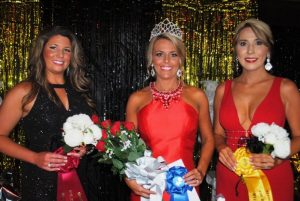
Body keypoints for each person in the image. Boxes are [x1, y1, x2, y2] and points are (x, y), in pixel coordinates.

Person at [0, 26, 122, 201]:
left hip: (82, 181)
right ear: (41, 51)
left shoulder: (80, 92)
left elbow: (90, 137)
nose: (60, 55)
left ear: (72, 57)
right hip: (41, 182)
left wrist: (85, 148)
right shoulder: (25, 91)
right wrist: (35, 158)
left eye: (67, 50)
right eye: (53, 48)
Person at [125, 18, 215, 201]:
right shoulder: (136, 99)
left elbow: (208, 139)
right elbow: (128, 147)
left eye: (173, 54)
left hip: (185, 186)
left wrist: (201, 170)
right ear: (151, 59)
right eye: (159, 54)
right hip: (147, 187)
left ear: (181, 59)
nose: (166, 60)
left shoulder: (197, 96)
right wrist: (129, 178)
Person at [213, 18, 300, 201]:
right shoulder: (223, 89)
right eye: (243, 43)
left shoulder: (285, 87)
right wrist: (221, 147)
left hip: (272, 174)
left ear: (268, 49)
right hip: (230, 176)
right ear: (236, 49)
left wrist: (278, 157)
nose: (250, 51)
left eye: (258, 43)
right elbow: (218, 133)